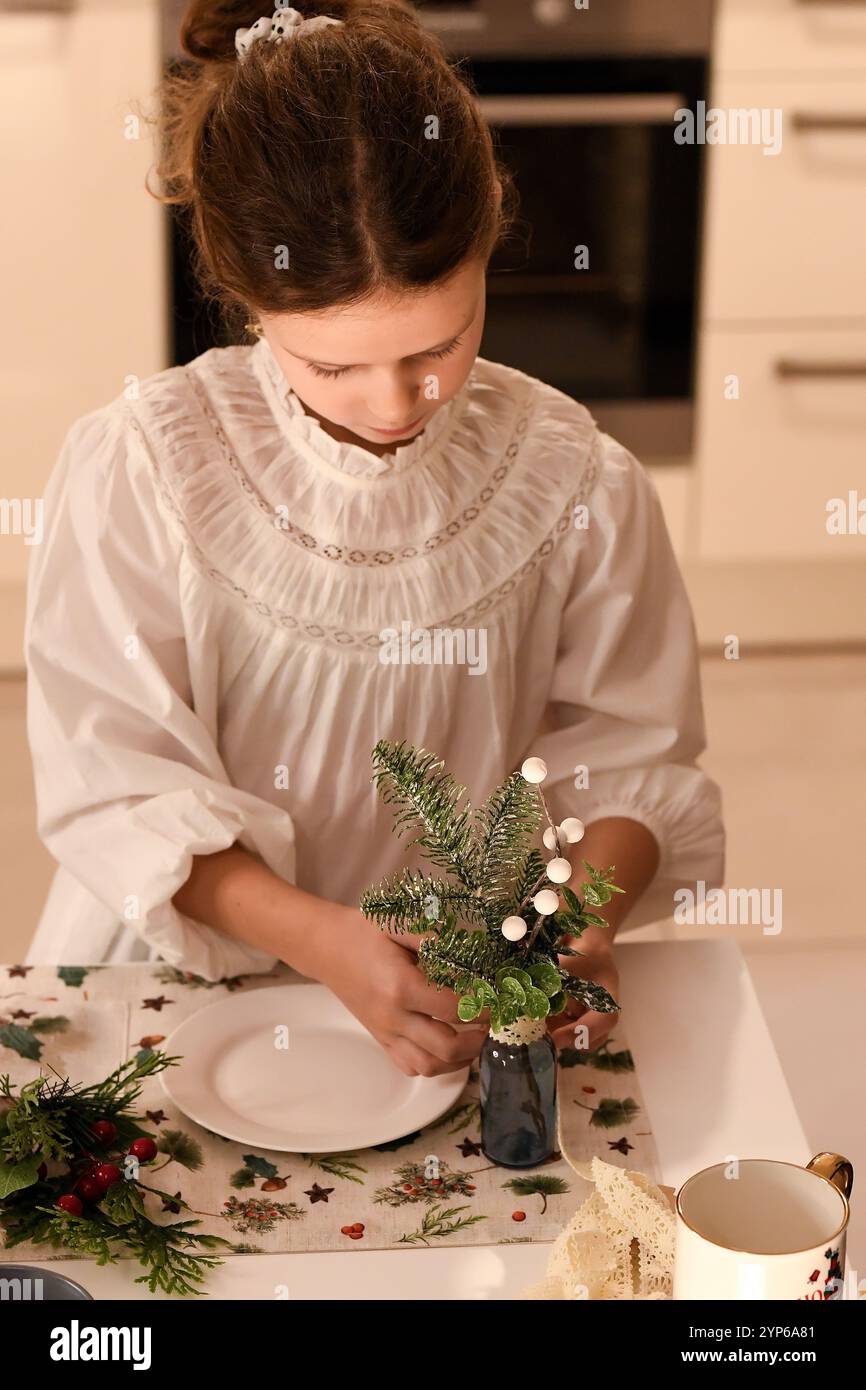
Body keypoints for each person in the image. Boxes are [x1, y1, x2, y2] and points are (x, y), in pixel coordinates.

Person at [24, 1, 724, 1078]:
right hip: (184, 973)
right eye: (330, 366)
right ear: (243, 300)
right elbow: (117, 790)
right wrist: (327, 941)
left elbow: (629, 758)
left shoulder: (576, 477)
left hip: (456, 990)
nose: (394, 401)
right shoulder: (141, 470)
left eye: (438, 345)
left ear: (491, 238)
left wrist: (581, 922)